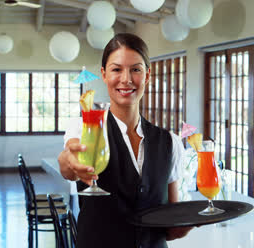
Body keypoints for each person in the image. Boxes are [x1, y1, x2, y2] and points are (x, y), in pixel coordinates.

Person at [58, 33, 192, 248]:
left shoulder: (170, 142)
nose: (126, 79)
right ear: (104, 74)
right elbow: (68, 164)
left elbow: (170, 226)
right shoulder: (84, 127)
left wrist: (187, 223)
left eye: (136, 69)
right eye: (116, 69)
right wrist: (69, 162)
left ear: (147, 76)